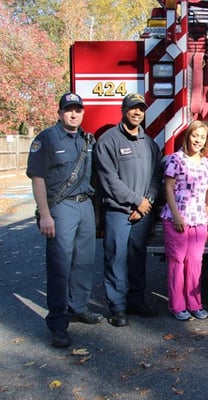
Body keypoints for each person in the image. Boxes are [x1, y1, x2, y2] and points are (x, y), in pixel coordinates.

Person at [27, 93, 102, 348]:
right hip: (61, 208)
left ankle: (78, 307)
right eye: (69, 110)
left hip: (85, 207)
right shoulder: (46, 139)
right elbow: (38, 178)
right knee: (60, 268)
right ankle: (58, 323)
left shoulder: (87, 139)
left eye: (78, 110)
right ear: (59, 113)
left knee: (85, 262)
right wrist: (45, 214)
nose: (74, 114)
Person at [94, 93, 162, 327]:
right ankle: (117, 307)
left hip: (143, 212)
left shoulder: (150, 143)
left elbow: (156, 178)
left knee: (137, 258)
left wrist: (147, 202)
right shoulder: (108, 141)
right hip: (117, 212)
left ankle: (136, 301)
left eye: (141, 109)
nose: (137, 113)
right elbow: (109, 180)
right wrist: (136, 201)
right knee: (115, 259)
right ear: (124, 110)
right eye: (133, 108)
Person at [160, 121, 208, 321]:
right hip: (177, 219)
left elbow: (206, 193)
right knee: (177, 262)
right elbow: (168, 188)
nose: (198, 140)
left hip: (198, 219)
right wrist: (176, 215)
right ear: (188, 136)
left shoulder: (207, 164)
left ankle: (195, 304)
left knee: (195, 263)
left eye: (202, 137)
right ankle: (177, 305)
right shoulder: (176, 159)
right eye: (195, 135)